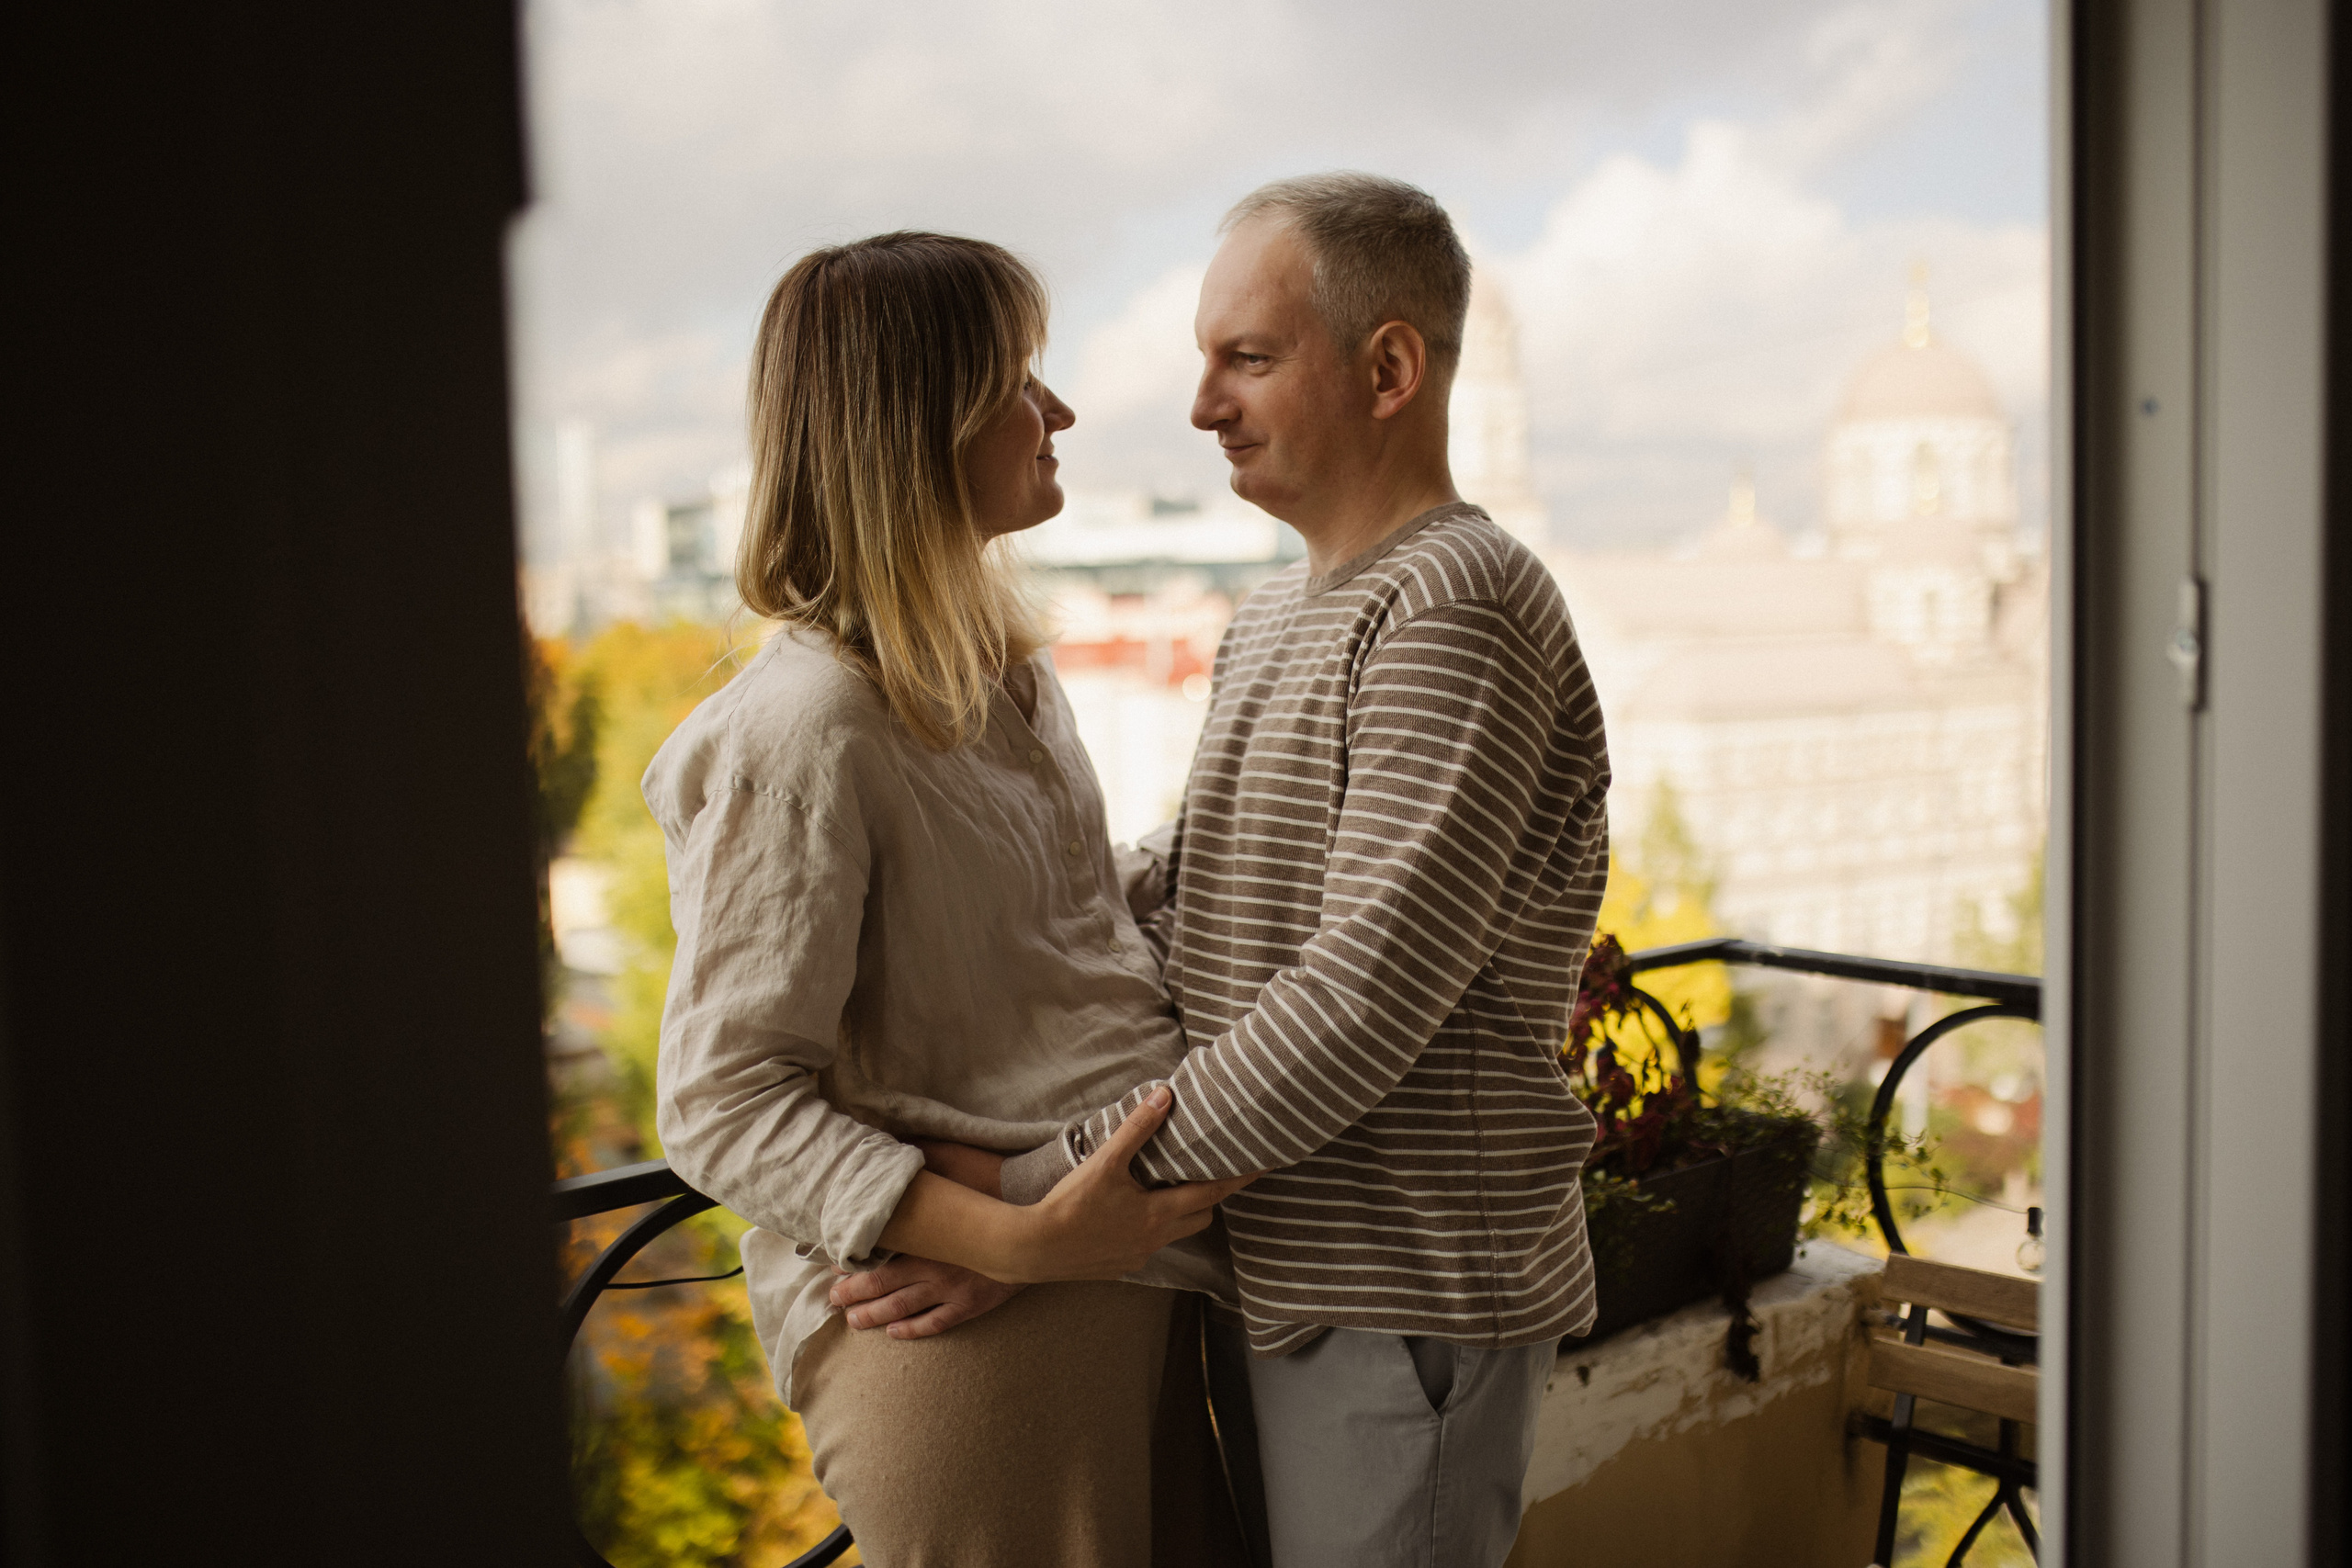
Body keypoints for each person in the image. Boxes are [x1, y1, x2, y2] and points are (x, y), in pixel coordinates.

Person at [840, 174, 1614, 1568]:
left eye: (1246, 359)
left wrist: (1030, 1199)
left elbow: (1358, 1000)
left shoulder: (1455, 605)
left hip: (1404, 1289)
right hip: (1286, 1273)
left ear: (1389, 368)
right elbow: (1175, 892)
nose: (1202, 407)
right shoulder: (1277, 617)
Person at [646, 231, 1256, 1568]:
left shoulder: (999, 675)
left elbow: (1064, 922)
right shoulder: (804, 729)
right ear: (917, 424)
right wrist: (1019, 1240)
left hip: (1130, 1285)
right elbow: (720, 1099)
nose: (1060, 413)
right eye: (1019, 377)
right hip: (978, 1349)